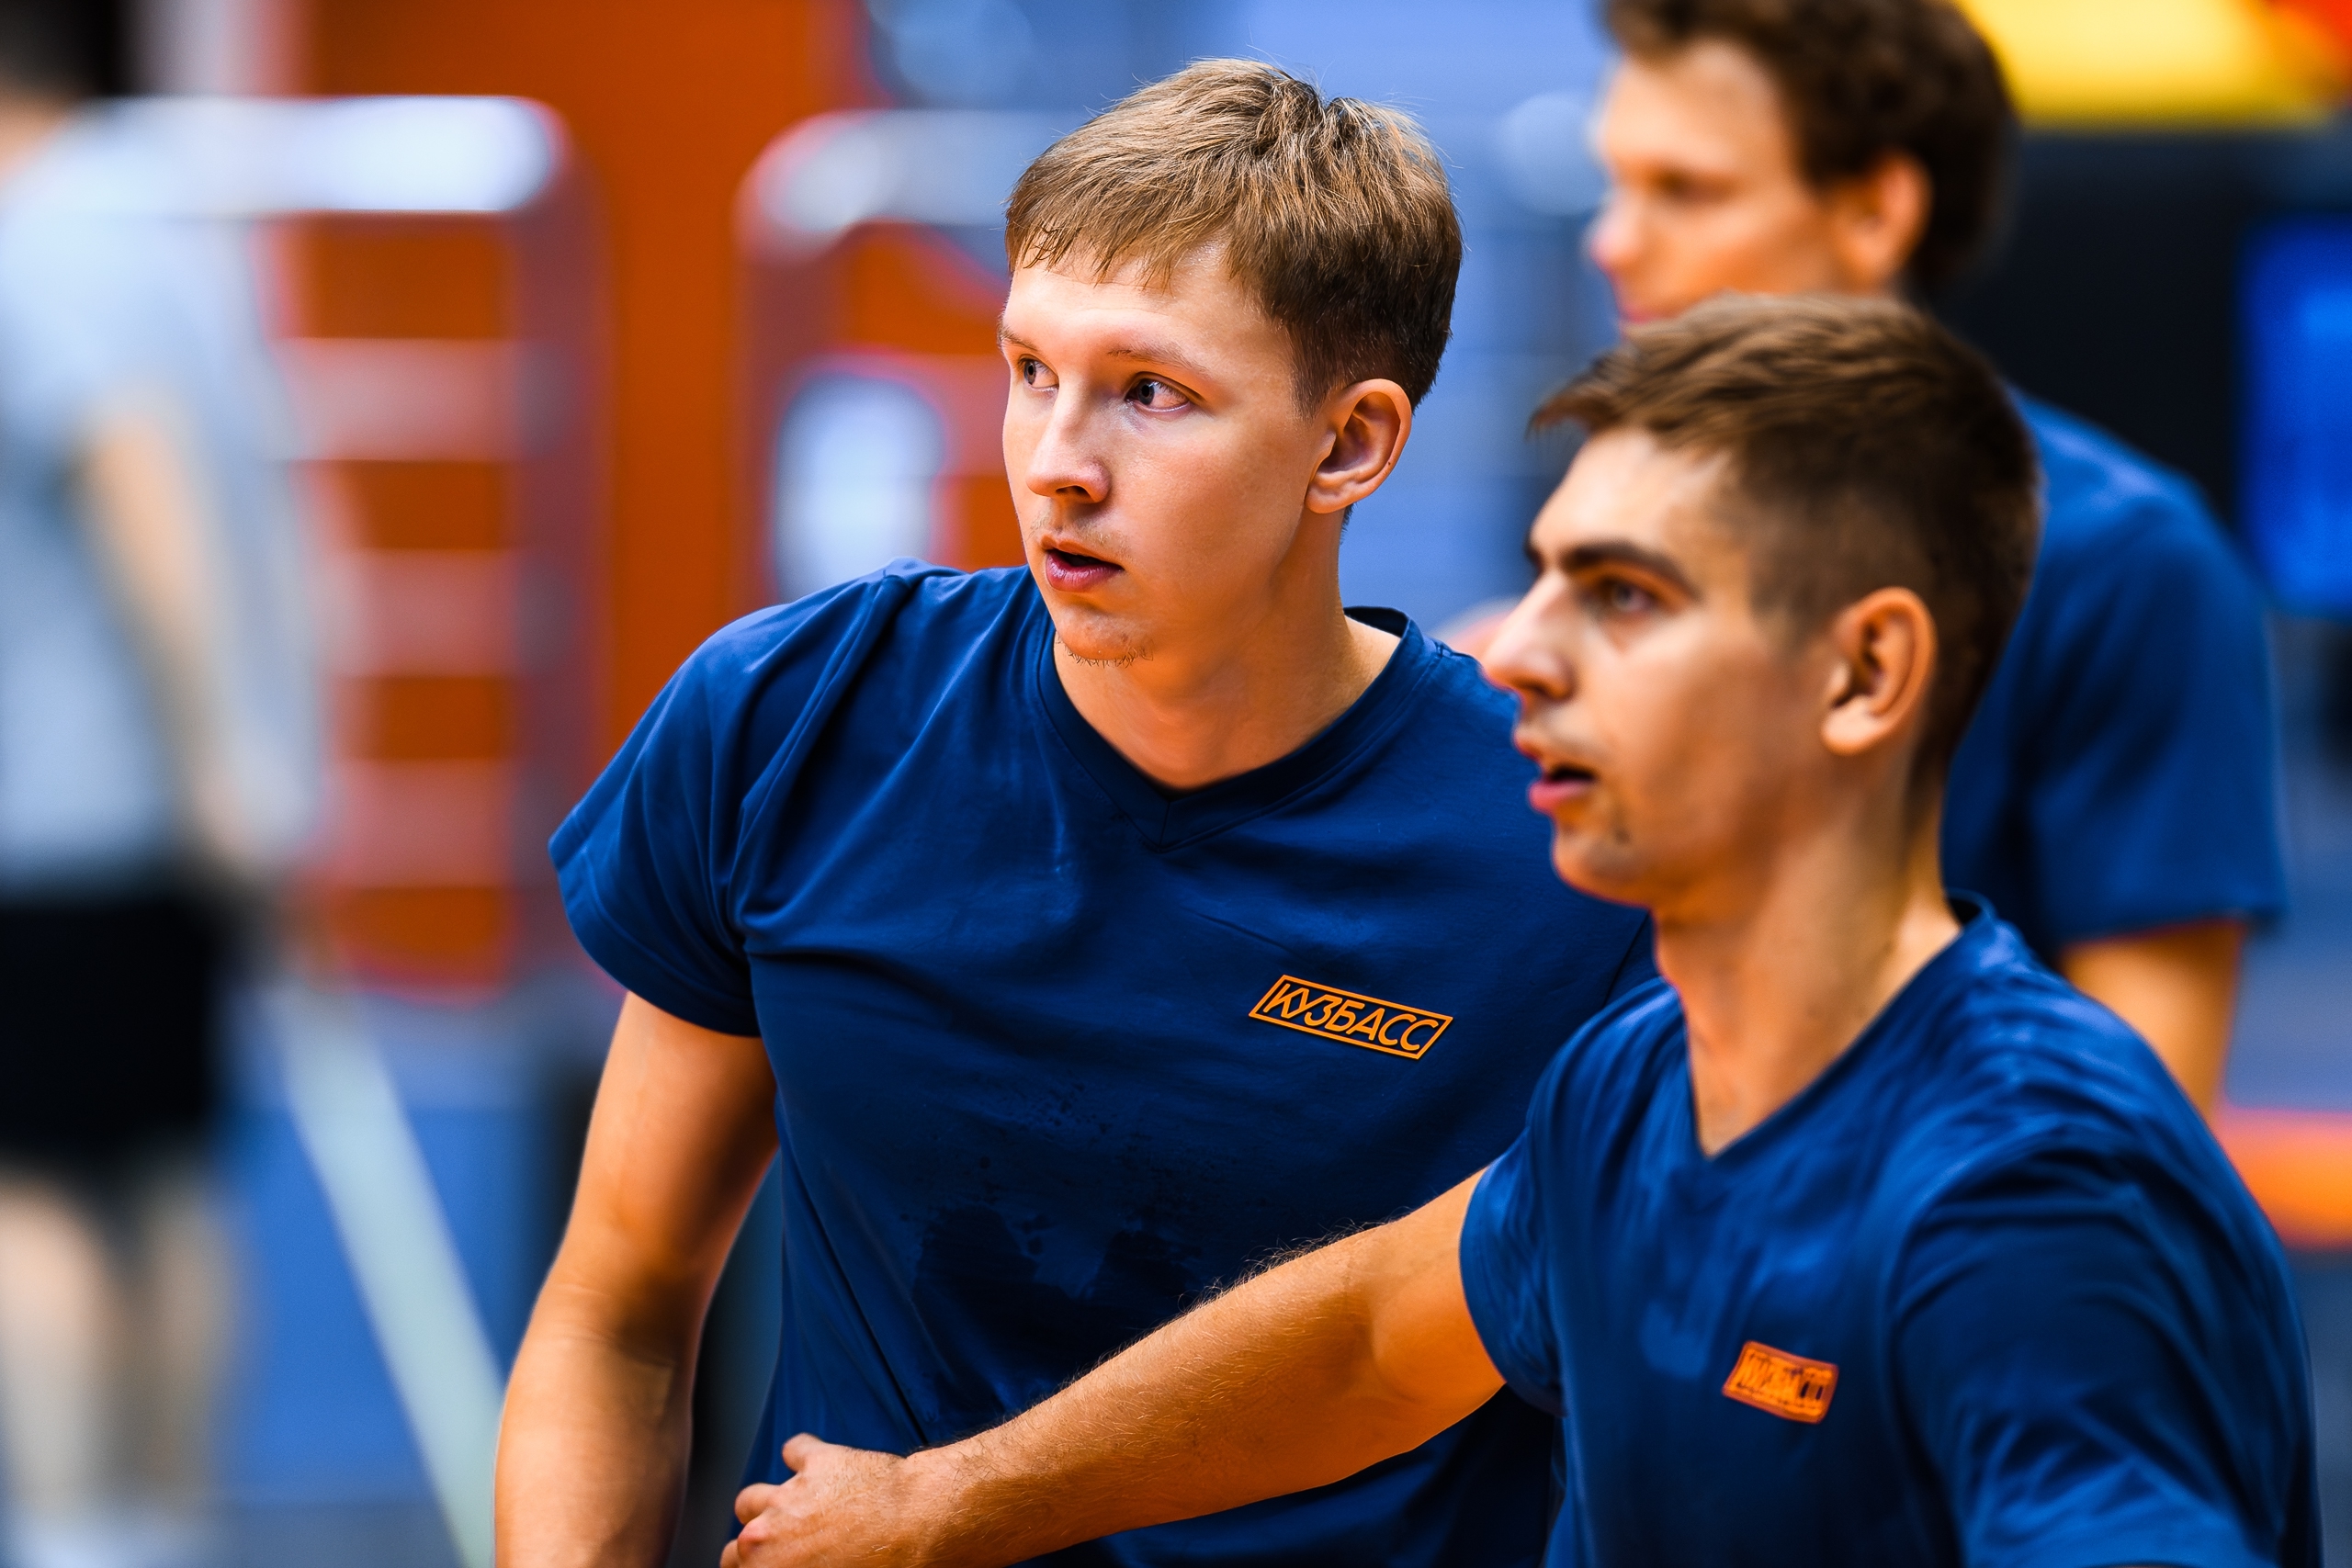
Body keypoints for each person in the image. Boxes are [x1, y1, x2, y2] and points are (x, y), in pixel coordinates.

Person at [729, 295, 2317, 1568]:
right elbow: (1362, 1341)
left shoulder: (2029, 1193)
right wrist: (943, 1504)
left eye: (1624, 597)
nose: (1521, 654)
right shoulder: (1632, 1085)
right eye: (1542, 577)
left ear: (1862, 675)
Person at [496, 61, 1654, 1567]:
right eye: (1030, 370)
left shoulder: (1579, 853)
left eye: (1149, 393)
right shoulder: (794, 717)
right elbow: (620, 1303)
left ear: (1350, 443)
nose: (1056, 464)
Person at [1455, 0, 2284, 1111]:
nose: (1611, 241)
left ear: (1874, 209)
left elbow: (2143, 1110)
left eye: (1685, 189)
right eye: (1614, 182)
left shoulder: (2124, 563)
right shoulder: (1618, 498)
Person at [0, 3, 321, 1566]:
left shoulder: (44, 242)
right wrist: (263, 759)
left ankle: (79, 1533)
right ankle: (162, 1529)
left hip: (64, 815)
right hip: (171, 816)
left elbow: (140, 480)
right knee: (165, 1178)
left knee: (37, 1187)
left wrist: (216, 750)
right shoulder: (172, 234)